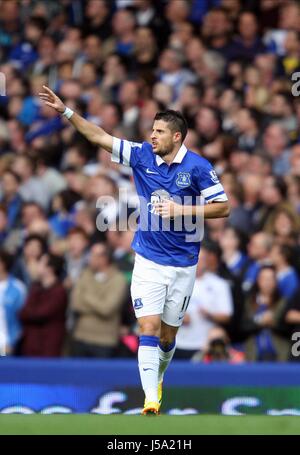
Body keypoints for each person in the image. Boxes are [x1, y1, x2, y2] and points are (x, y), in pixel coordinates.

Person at [39, 85, 230, 415]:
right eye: (152, 130)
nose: (152, 135)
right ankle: (150, 399)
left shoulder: (198, 168)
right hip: (147, 260)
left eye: (159, 131)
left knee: (168, 339)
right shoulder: (142, 155)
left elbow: (223, 207)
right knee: (148, 328)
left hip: (183, 264)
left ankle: (158, 378)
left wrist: (181, 210)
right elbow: (99, 137)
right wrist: (65, 112)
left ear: (177, 137)